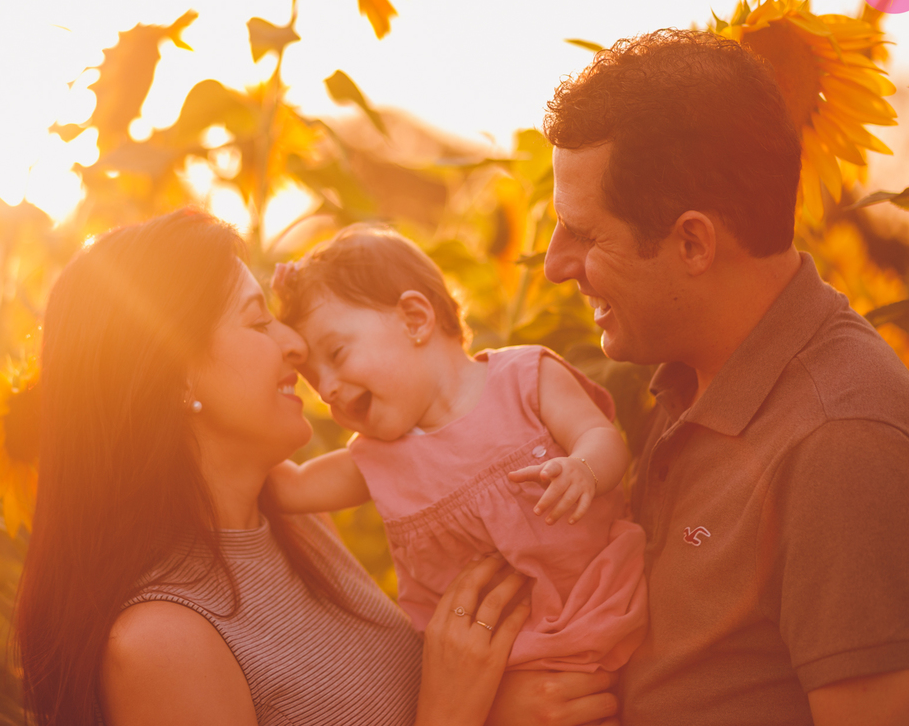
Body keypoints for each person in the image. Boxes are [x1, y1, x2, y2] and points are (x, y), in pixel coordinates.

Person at [13, 209, 622, 726]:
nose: (296, 346)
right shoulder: (158, 641)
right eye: (257, 321)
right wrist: (454, 713)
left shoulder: (297, 527)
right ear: (176, 378)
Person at [541, 28, 909, 724]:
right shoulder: (689, 378)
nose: (554, 264)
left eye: (584, 233)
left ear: (693, 242)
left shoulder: (842, 449)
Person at [266, 225, 647, 674]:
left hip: (608, 611)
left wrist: (584, 469)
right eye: (313, 380)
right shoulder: (377, 458)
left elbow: (601, 438)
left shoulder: (524, 378)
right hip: (498, 672)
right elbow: (289, 488)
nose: (327, 389)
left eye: (337, 354)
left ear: (415, 318)